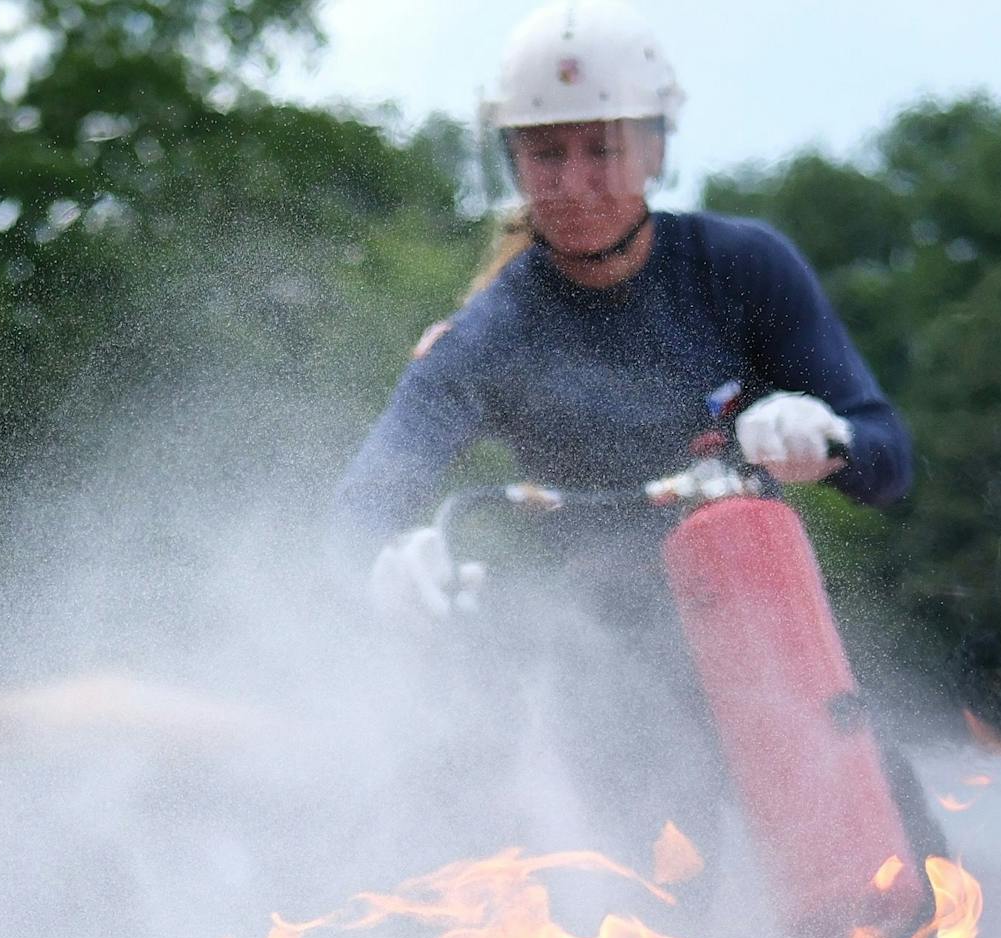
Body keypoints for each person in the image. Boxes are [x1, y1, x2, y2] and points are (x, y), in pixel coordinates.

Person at [338, 0, 911, 626]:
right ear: (514, 162)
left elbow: (891, 464)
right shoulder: (487, 335)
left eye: (603, 150)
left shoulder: (743, 268)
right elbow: (361, 508)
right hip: (587, 647)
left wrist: (831, 441)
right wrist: (382, 562)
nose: (576, 184)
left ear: (655, 152)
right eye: (547, 155)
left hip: (761, 626)